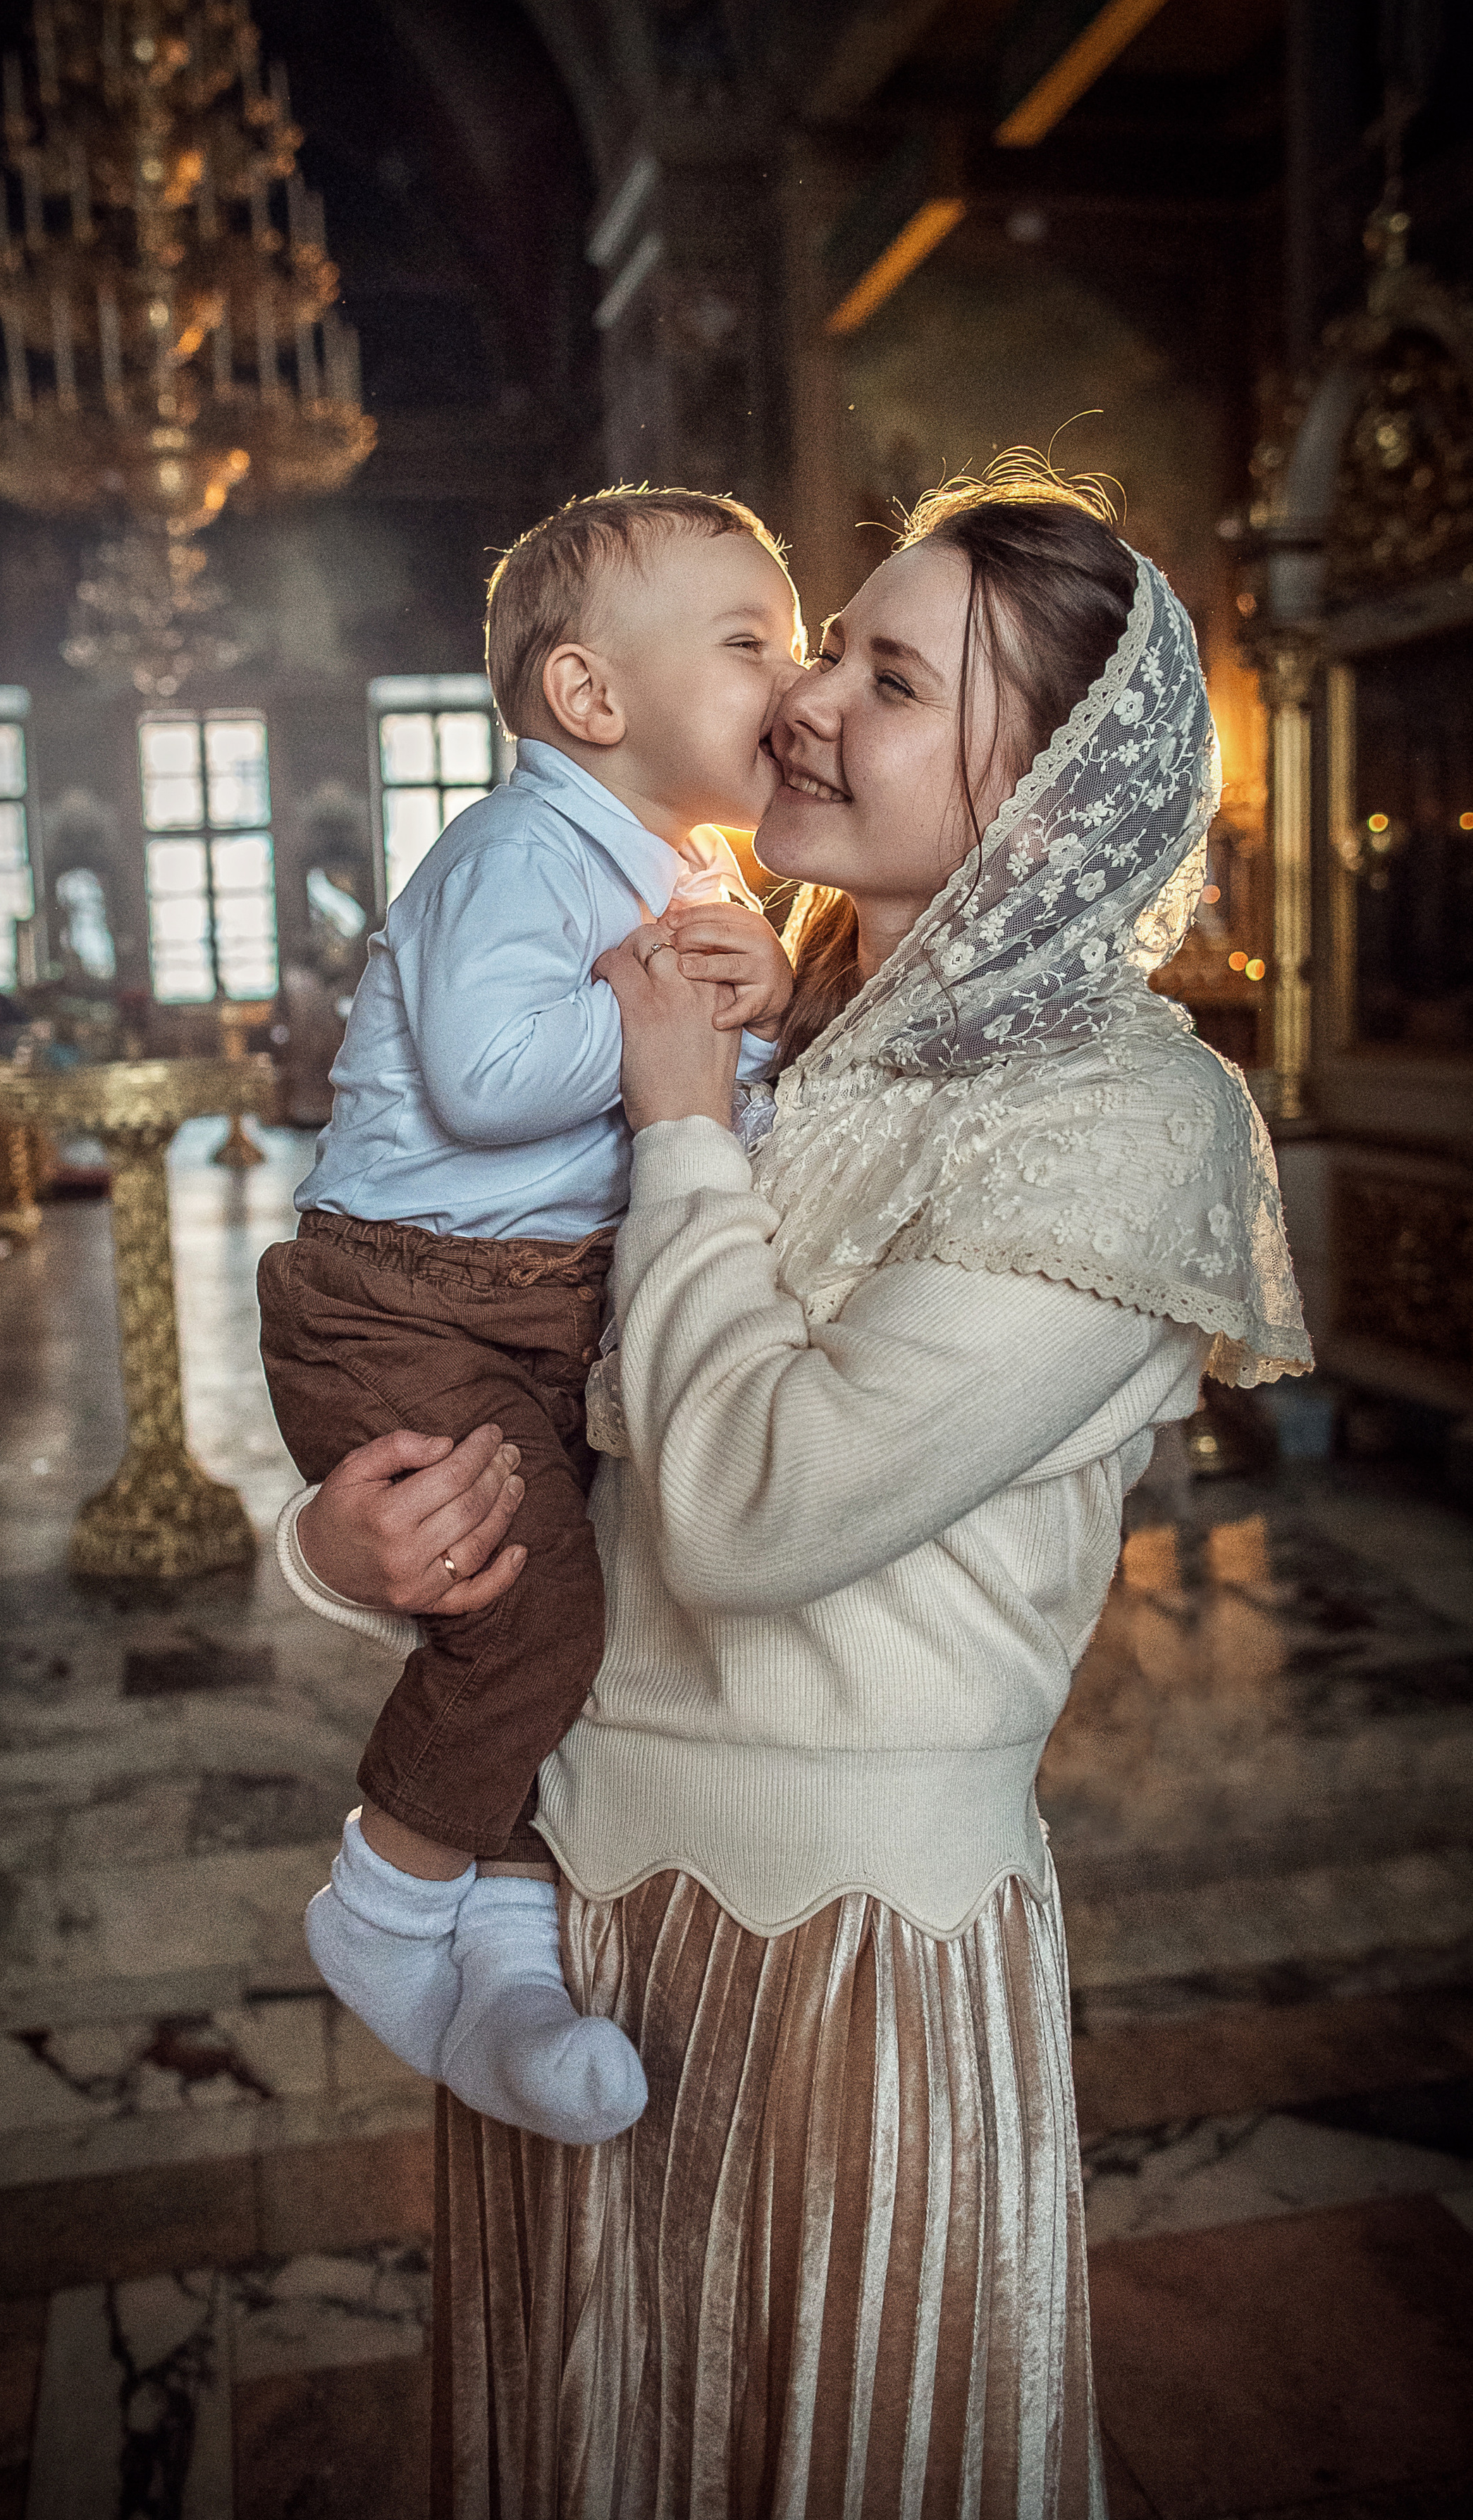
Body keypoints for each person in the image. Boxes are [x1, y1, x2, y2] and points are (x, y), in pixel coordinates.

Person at [279, 469, 1312, 2514]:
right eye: (824, 643)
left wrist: (674, 1118)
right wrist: (335, 1543)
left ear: (1045, 783)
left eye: (894, 678)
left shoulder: (1122, 1115)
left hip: (845, 1951)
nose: (809, 698)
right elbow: (532, 1396)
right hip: (560, 1922)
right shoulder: (772, 1010)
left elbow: (750, 1516)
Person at [257, 486, 803, 2147]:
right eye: (748, 646)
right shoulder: (518, 848)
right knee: (525, 1610)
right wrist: (692, 1009)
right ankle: (386, 1897)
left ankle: (503, 1952)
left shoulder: (670, 862)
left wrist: (747, 1017)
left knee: (557, 1616)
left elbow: (703, 1096)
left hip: (516, 1306)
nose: (793, 678)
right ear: (589, 700)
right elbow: (493, 1085)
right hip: (401, 1299)